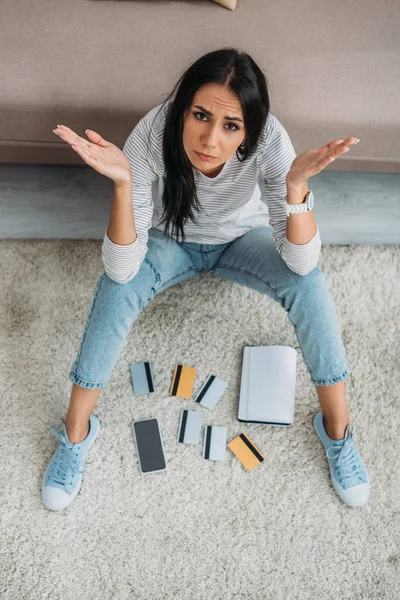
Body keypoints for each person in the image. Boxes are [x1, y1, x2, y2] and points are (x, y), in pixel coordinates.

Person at [41, 46, 370, 512]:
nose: (210, 139)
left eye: (231, 126)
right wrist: (123, 183)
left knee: (311, 284)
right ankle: (75, 435)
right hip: (168, 242)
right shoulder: (155, 131)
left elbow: (300, 263)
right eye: (200, 116)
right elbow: (121, 267)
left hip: (240, 240)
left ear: (247, 131)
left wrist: (296, 190)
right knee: (116, 288)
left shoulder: (271, 140)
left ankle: (337, 431)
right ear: (183, 109)